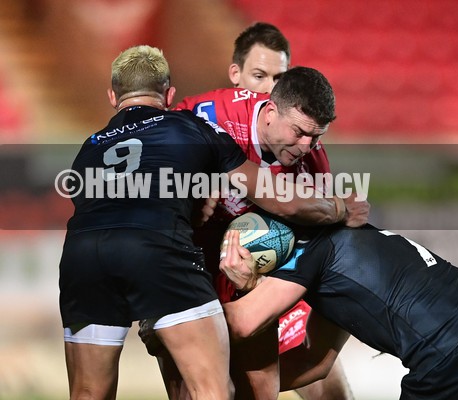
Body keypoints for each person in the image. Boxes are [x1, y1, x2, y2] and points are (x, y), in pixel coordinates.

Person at [58, 45, 367, 400]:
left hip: (82, 257)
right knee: (212, 390)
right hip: (160, 253)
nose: (309, 144)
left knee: (87, 393)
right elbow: (279, 198)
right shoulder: (193, 123)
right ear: (170, 95)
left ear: (113, 96)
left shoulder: (89, 147)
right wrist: (342, 209)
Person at [141, 64, 360, 400]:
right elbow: (147, 156)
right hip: (190, 265)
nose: (307, 145)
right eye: (300, 132)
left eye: (317, 136)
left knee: (294, 386)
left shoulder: (313, 166)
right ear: (271, 111)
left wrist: (262, 285)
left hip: (252, 279)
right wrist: (188, 193)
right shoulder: (210, 114)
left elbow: (311, 243)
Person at [219, 224, 458, 400]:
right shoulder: (357, 240)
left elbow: (243, 321)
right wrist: (247, 386)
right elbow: (318, 363)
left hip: (449, 349)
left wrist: (247, 288)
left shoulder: (305, 253)